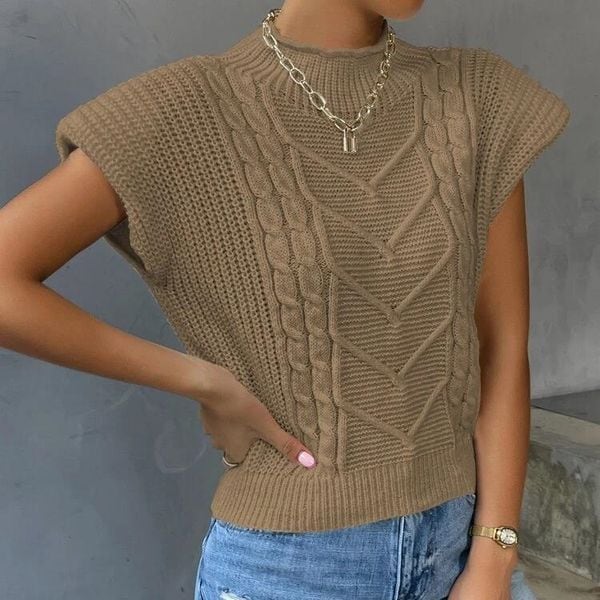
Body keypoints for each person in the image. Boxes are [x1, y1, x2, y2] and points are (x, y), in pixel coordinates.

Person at [0, 0, 570, 598]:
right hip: (291, 571)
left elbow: (503, 346)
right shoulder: (187, 108)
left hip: (462, 551)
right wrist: (204, 382)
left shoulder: (474, 96)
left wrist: (495, 554)